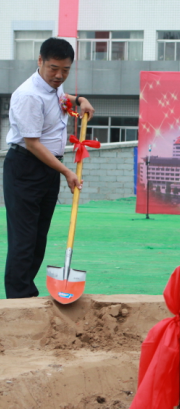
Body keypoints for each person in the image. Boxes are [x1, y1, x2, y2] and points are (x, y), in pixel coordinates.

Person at [4, 37, 95, 299]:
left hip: (47, 168)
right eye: (53, 68)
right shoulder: (28, 95)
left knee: (38, 237)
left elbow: (61, 97)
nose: (59, 75)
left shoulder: (53, 86)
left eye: (65, 70)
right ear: (40, 61)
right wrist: (66, 171)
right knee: (24, 239)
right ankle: (19, 299)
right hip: (26, 167)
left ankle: (26, 293)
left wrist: (79, 100)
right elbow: (32, 143)